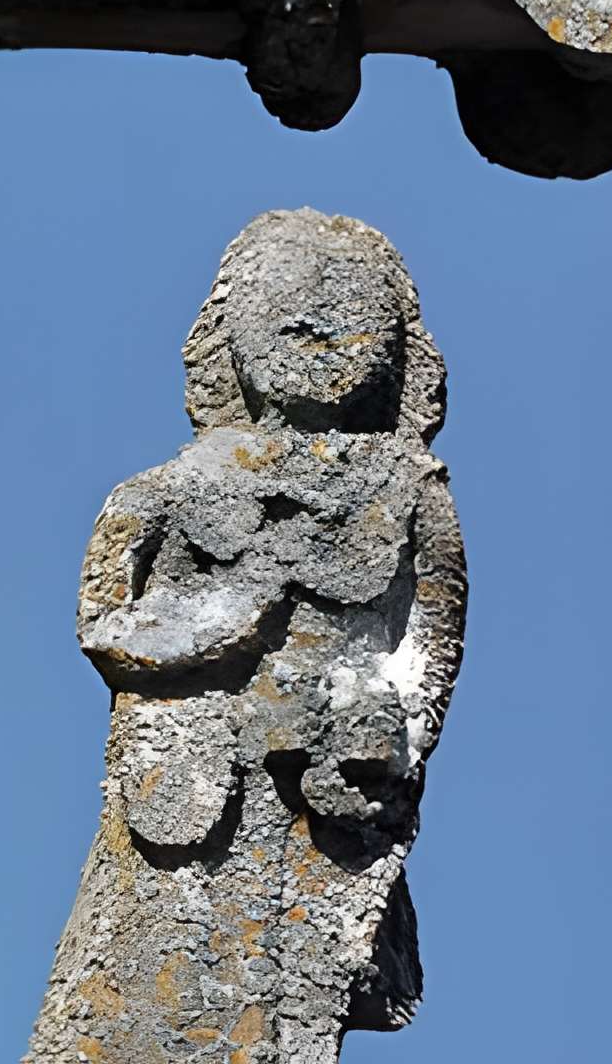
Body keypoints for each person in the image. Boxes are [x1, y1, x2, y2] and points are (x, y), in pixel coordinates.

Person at [30, 213, 467, 1064]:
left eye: (351, 311)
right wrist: (225, 616)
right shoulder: (172, 488)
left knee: (294, 1002)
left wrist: (387, 725)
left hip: (331, 793)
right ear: (228, 335)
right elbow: (104, 619)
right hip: (183, 786)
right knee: (140, 980)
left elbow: (432, 642)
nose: (319, 326)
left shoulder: (410, 489)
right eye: (287, 307)